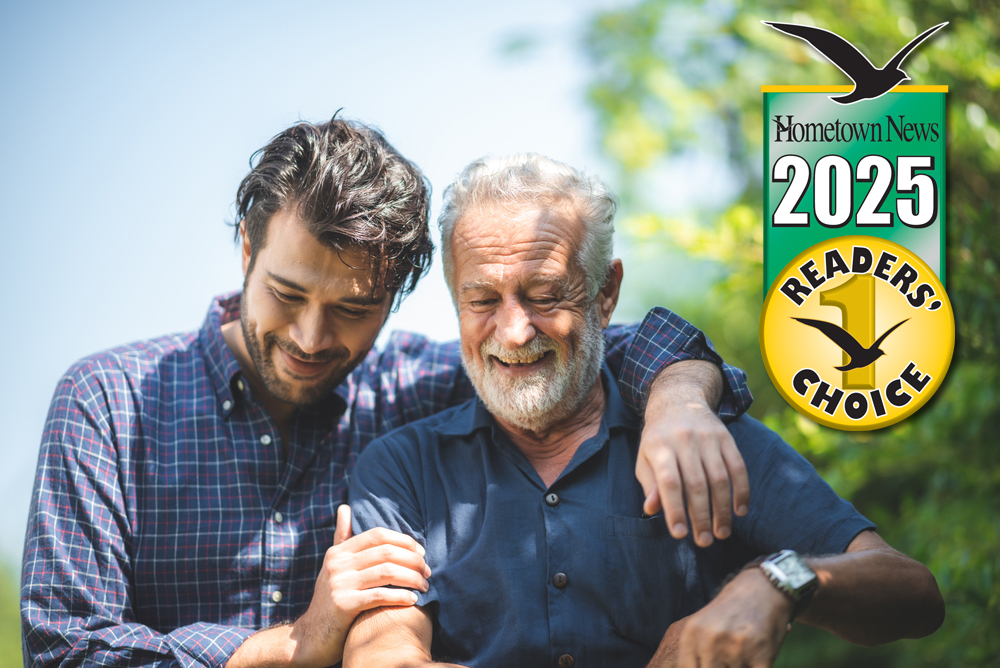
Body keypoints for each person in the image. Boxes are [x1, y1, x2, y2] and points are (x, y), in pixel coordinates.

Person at [21, 118, 755, 668]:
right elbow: (63, 651)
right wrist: (290, 644)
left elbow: (578, 345)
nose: (310, 337)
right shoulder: (108, 404)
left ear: (398, 298)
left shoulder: (418, 386)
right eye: (285, 293)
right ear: (247, 250)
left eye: (351, 310)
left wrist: (680, 398)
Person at [345, 153, 945, 668]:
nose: (514, 330)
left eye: (545, 295)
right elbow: (381, 651)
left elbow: (914, 594)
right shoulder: (402, 467)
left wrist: (777, 581)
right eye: (481, 299)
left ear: (605, 293)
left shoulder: (700, 438)